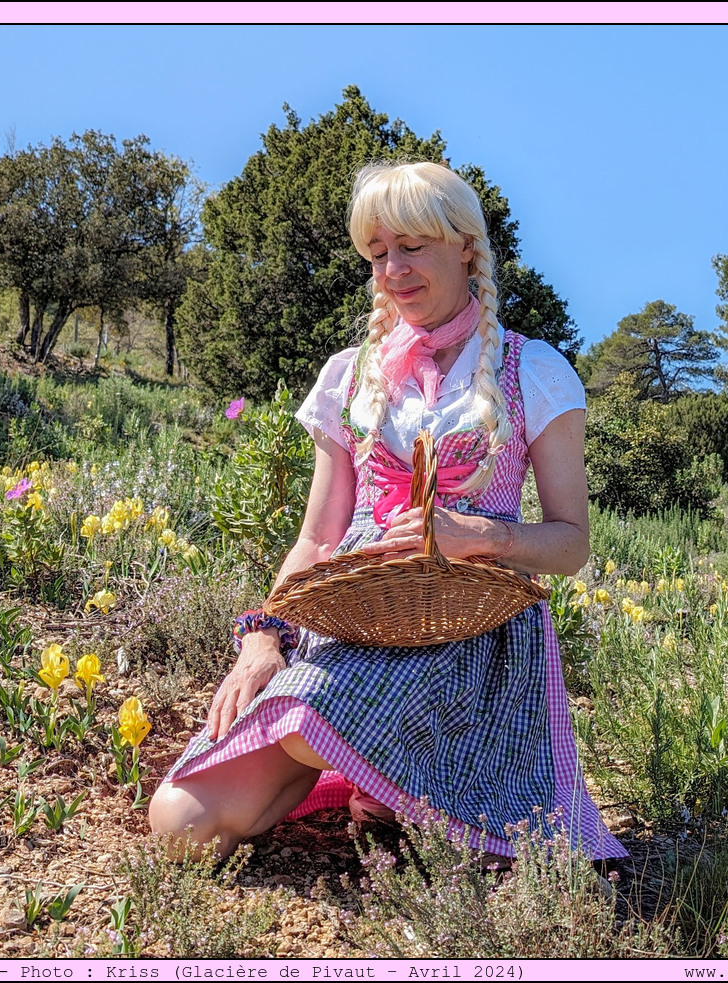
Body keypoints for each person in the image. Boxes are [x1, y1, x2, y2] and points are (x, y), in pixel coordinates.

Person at [148, 160, 628, 867]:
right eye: (378, 254)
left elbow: (571, 543)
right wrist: (264, 638)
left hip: (471, 631)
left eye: (412, 246)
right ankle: (375, 781)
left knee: (308, 725)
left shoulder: (533, 370)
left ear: (466, 246)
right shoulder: (349, 374)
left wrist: (477, 535)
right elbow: (319, 536)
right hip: (352, 617)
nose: (393, 271)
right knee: (180, 823)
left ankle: (390, 780)